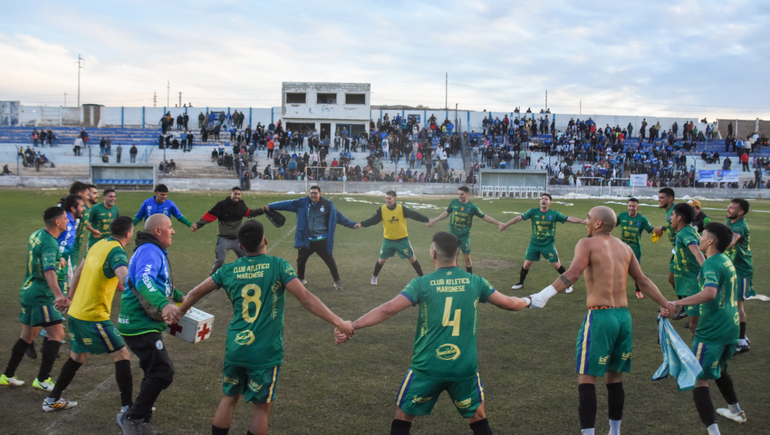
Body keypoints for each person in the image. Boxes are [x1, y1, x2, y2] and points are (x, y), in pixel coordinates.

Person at [335, 231, 533, 435]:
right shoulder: (476, 282)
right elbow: (511, 304)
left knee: (403, 416)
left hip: (428, 366)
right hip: (463, 367)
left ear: (432, 253)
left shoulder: (421, 283)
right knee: (478, 417)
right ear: (458, 252)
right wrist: (529, 300)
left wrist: (353, 325)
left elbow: (388, 309)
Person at [175, 220, 355, 435]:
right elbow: (306, 298)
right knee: (261, 411)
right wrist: (339, 322)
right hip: (264, 352)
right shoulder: (278, 266)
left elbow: (195, 292)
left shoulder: (228, 270)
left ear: (240, 247)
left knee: (228, 399)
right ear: (266, 240)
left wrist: (179, 312)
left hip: (236, 347)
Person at [527, 206, 673, 435]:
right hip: (623, 318)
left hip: (600, 316)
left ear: (597, 224)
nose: (585, 221)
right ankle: (614, 432)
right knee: (615, 378)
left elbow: (573, 274)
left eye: (588, 217)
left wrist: (541, 297)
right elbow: (642, 280)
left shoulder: (586, 243)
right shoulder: (625, 248)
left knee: (587, 378)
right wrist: (667, 303)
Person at [42, 216, 135, 414]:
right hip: (93, 316)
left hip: (76, 312)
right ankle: (128, 408)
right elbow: (125, 278)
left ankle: (52, 399)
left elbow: (77, 272)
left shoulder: (98, 244)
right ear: (129, 233)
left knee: (77, 356)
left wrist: (69, 298)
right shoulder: (117, 251)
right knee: (122, 355)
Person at [668, 222, 747, 433]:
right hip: (731, 327)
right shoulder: (725, 260)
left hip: (713, 329)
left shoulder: (711, 263)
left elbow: (710, 293)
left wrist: (676, 303)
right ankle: (735, 410)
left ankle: (714, 432)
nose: (700, 237)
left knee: (699, 379)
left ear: (710, 241)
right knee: (719, 370)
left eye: (702, 235)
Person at [117, 214, 183, 435]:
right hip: (139, 324)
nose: (173, 231)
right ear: (158, 231)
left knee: (153, 371)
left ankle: (142, 420)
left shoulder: (153, 250)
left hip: (141, 324)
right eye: (170, 227)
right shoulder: (149, 251)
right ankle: (133, 418)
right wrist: (165, 305)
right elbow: (144, 281)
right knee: (163, 371)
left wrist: (185, 299)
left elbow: (161, 285)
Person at [0, 207, 71, 392]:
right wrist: (58, 295)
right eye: (65, 218)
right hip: (42, 295)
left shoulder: (37, 234)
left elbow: (42, 260)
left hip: (28, 290)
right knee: (57, 335)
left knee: (28, 336)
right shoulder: (50, 243)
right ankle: (42, 379)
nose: (67, 221)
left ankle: (7, 376)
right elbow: (48, 271)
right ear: (57, 222)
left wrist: (58, 261)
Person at [265, 186, 359, 290]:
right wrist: (270, 206)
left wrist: (352, 224)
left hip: (321, 240)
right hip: (307, 241)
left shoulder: (328, 205)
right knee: (301, 260)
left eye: (315, 193)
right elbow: (287, 204)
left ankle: (337, 282)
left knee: (330, 261)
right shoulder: (302, 203)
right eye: (311, 193)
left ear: (320, 194)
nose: (313, 195)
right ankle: (301, 279)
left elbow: (339, 217)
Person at [501, 193, 586, 292]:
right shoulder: (533, 212)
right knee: (527, 264)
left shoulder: (554, 214)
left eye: (546, 199)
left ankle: (568, 284)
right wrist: (506, 225)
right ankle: (520, 283)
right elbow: (518, 218)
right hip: (534, 244)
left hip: (548, 245)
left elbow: (569, 219)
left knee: (556, 265)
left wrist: (583, 222)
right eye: (542, 199)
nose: (543, 200)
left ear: (550, 202)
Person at [428, 186, 504, 274]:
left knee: (467, 257)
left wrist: (498, 223)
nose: (459, 196)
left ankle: (469, 276)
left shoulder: (472, 207)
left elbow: (485, 217)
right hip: (453, 236)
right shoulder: (453, 202)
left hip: (464, 236)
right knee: (454, 257)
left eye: (462, 194)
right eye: (459, 194)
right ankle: (456, 275)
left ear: (467, 194)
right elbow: (446, 213)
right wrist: (435, 220)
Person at [361, 190, 429, 285]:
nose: (387, 200)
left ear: (395, 199)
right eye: (386, 198)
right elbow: (373, 220)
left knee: (412, 259)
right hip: (388, 241)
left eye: (389, 198)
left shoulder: (401, 209)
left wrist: (426, 220)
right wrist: (362, 224)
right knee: (381, 261)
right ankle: (374, 277)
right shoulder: (382, 209)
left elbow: (414, 215)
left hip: (402, 240)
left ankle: (422, 278)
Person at [191, 187, 263, 275]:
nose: (237, 196)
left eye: (239, 194)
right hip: (224, 239)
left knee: (246, 258)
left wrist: (262, 210)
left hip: (238, 240)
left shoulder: (241, 204)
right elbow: (210, 216)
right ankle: (212, 280)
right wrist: (197, 225)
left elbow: (249, 213)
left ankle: (250, 277)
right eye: (235, 194)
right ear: (230, 194)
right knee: (220, 261)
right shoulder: (221, 205)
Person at [670, 203, 705, 333]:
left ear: (679, 218)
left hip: (693, 284)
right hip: (688, 282)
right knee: (694, 325)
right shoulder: (686, 231)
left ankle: (699, 352)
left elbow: (696, 251)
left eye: (672, 215)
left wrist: (706, 271)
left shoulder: (686, 233)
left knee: (694, 326)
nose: (670, 218)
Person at [725, 198, 753, 354]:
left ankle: (742, 341)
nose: (728, 209)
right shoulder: (732, 222)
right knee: (732, 303)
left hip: (741, 269)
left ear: (740, 212)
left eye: (732, 208)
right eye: (728, 206)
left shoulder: (740, 225)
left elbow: (733, 240)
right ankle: (740, 335)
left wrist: (715, 246)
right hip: (733, 268)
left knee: (737, 305)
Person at [615, 198, 654, 299]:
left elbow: (651, 229)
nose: (631, 208)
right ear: (627, 206)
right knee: (620, 271)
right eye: (630, 206)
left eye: (634, 206)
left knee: (636, 273)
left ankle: (638, 290)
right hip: (622, 249)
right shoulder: (621, 216)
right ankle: (619, 291)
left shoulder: (642, 219)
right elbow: (611, 224)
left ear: (637, 207)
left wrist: (658, 230)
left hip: (635, 250)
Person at [653, 188, 677, 293]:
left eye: (662, 198)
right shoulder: (669, 211)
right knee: (673, 279)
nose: (659, 200)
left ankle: (688, 306)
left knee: (675, 279)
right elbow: (674, 225)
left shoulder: (675, 211)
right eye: (659, 198)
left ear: (670, 198)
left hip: (683, 248)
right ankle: (686, 306)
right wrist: (663, 228)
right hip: (677, 248)